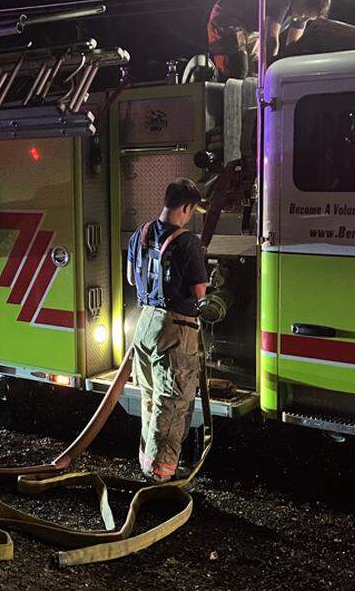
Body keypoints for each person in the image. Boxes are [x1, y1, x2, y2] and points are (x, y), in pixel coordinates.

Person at [126, 178, 210, 482]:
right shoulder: (188, 242)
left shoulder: (141, 233)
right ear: (186, 208)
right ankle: (163, 475)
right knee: (172, 401)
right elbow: (202, 294)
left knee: (149, 397)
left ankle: (148, 464)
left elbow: (132, 280)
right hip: (175, 329)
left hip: (144, 322)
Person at [206, 0, 341, 80]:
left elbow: (292, 49)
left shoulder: (301, 17)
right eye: (305, 13)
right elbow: (271, 40)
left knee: (254, 75)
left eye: (308, 19)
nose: (302, 18)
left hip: (252, 31)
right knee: (239, 66)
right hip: (228, 17)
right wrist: (271, 70)